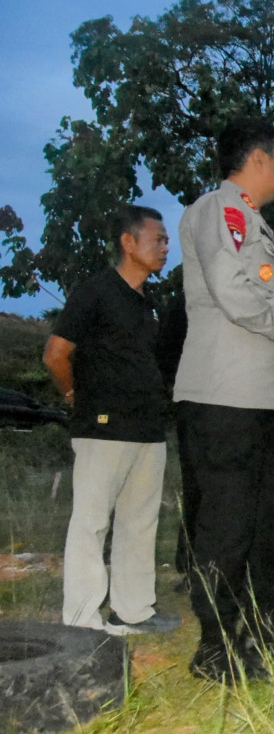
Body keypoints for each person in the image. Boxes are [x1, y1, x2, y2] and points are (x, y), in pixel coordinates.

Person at [174, 116, 274, 683]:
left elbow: (254, 302)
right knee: (226, 525)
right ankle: (214, 648)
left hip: (253, 397)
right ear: (258, 160)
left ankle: (248, 632)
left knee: (259, 523)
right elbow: (236, 294)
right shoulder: (223, 210)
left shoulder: (250, 220)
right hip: (223, 397)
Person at [44, 205, 182, 636]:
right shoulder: (96, 291)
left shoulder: (149, 303)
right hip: (103, 429)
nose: (165, 247)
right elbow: (55, 354)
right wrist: (72, 394)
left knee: (140, 523)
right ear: (128, 242)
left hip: (147, 428)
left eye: (166, 240)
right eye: (157, 238)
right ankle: (82, 621)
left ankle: (134, 610)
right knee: (92, 522)